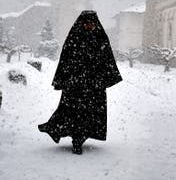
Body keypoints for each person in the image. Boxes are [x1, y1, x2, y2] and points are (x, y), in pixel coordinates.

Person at [38, 10, 122, 154]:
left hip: (94, 86)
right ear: (82, 23)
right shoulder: (74, 38)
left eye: (92, 23)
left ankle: (73, 138)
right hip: (75, 85)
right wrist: (64, 79)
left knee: (89, 114)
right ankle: (58, 130)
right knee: (71, 112)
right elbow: (65, 59)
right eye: (87, 23)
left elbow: (107, 59)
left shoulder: (100, 38)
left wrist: (105, 77)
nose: (90, 26)